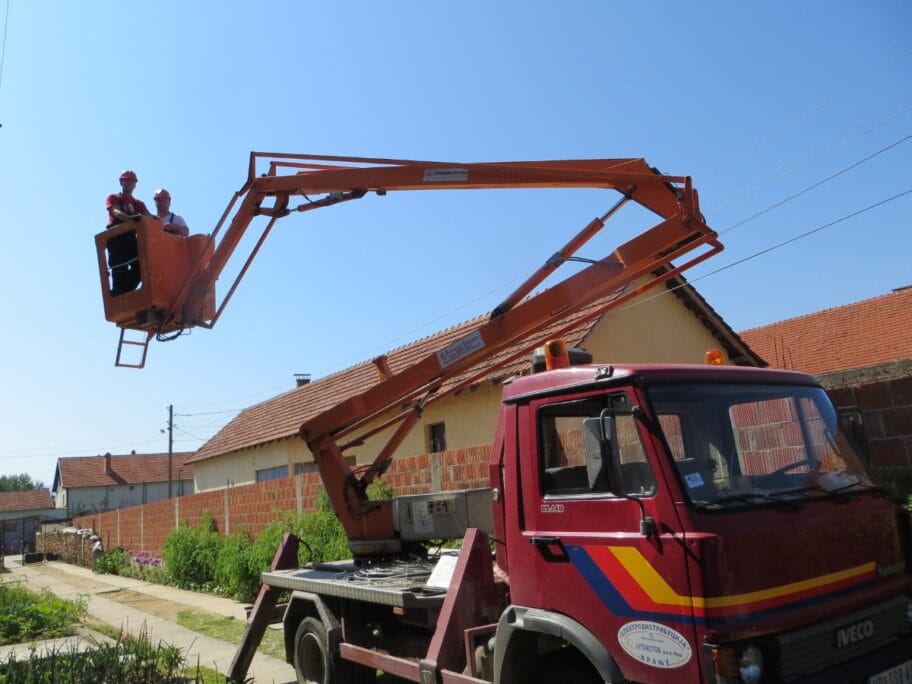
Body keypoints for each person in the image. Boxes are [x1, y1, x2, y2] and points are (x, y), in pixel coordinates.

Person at [105, 170, 151, 295]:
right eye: (127, 181)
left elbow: (149, 217)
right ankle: (120, 292)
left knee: (142, 266)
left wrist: (162, 225)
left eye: (132, 181)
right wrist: (130, 219)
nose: (129, 183)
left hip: (130, 238)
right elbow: (115, 212)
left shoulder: (138, 203)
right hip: (116, 237)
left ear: (135, 184)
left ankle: (122, 292)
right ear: (121, 182)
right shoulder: (114, 197)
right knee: (119, 268)